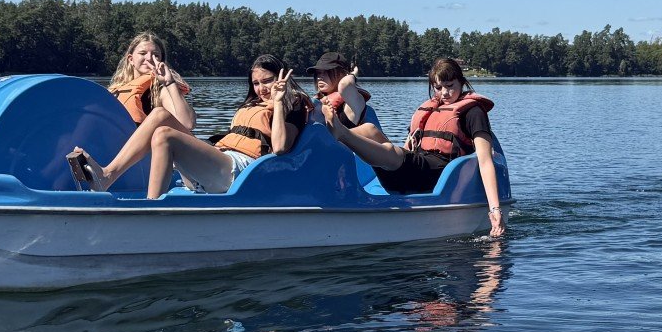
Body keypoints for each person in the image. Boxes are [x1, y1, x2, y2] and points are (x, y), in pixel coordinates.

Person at [327, 56, 507, 238]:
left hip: (437, 174)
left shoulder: (473, 112)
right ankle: (327, 139)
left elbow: (485, 161)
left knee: (395, 154)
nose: (444, 93)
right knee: (370, 130)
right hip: (414, 171)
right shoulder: (431, 108)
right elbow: (409, 147)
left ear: (461, 82)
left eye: (450, 86)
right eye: (438, 88)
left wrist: (495, 209)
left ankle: (342, 133)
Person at [144, 55, 312, 200]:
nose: (261, 89)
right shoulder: (253, 104)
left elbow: (280, 147)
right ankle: (125, 177)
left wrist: (278, 102)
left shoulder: (293, 104)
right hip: (219, 164)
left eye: (267, 81)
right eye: (256, 83)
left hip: (240, 171)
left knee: (164, 135)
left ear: (281, 78)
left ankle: (150, 207)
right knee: (161, 118)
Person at [67, 32, 196, 190]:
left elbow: (186, 124)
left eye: (155, 55)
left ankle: (106, 176)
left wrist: (169, 83)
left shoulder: (162, 90)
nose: (149, 58)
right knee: (87, 117)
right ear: (131, 59)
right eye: (143, 53)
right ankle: (56, 179)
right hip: (124, 161)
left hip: (150, 164)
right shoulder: (118, 91)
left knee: (159, 115)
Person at [307, 51, 383, 144]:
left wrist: (353, 74)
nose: (320, 77)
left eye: (326, 72)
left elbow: (345, 84)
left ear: (342, 74)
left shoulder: (352, 104)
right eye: (318, 73)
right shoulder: (315, 102)